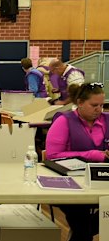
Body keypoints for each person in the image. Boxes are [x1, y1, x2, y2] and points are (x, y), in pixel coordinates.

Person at [46, 82, 107, 241]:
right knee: (82, 218)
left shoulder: (107, 121)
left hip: (100, 182)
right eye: (94, 105)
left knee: (86, 225)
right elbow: (52, 155)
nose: (99, 109)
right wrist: (92, 155)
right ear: (80, 103)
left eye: (102, 105)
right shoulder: (64, 121)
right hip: (68, 184)